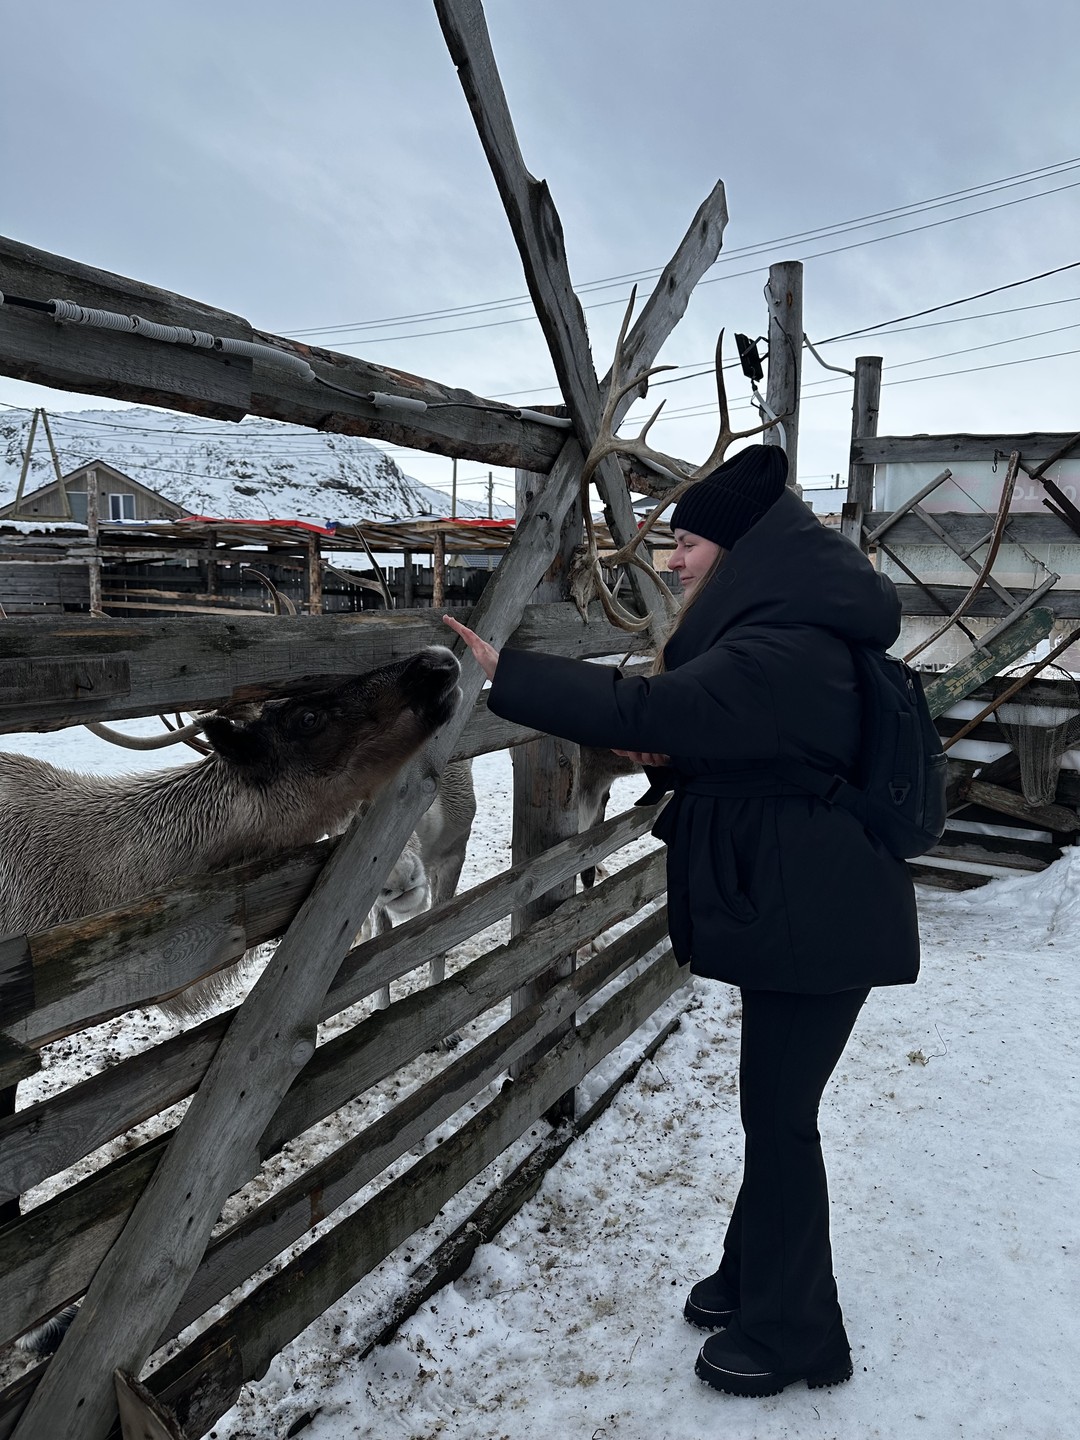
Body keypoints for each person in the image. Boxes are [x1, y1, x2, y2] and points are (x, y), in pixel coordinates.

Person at [443, 444, 919, 1399]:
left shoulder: (784, 642)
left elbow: (661, 702)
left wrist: (512, 678)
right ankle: (753, 1280)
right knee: (773, 1111)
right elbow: (749, 751)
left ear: (740, 550)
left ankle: (799, 1338)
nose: (672, 561)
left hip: (819, 918)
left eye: (688, 542)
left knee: (781, 1122)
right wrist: (667, 753)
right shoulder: (798, 624)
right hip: (815, 908)